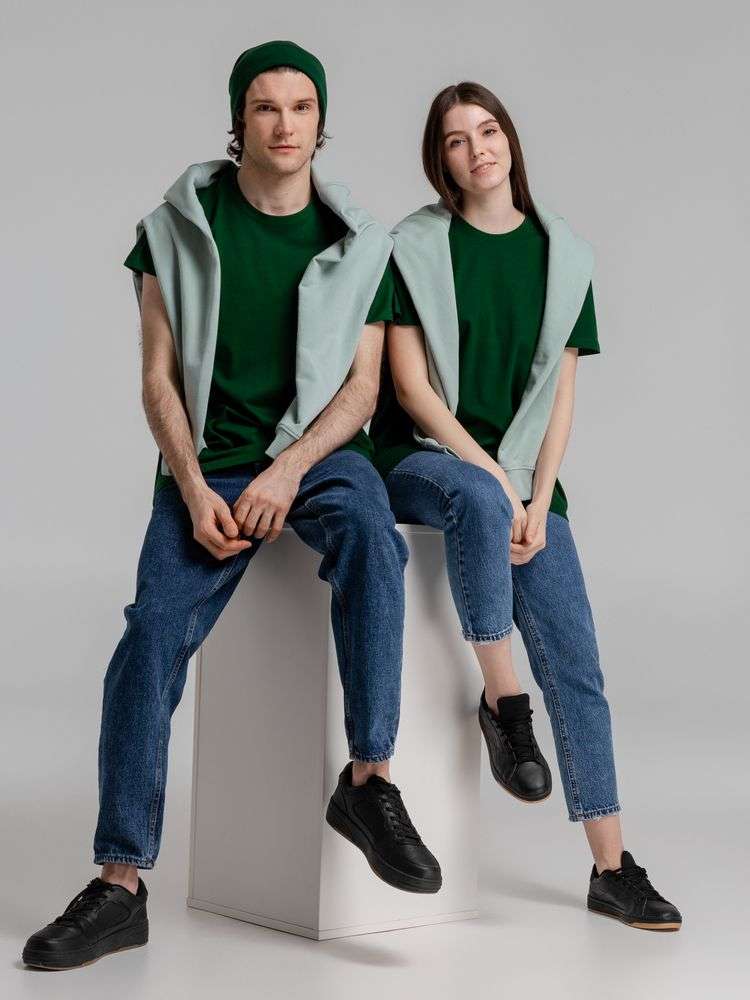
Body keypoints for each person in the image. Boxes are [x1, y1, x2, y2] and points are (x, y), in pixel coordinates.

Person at [22, 40, 441, 972]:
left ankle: (369, 780)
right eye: (265, 107)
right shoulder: (173, 228)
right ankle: (119, 885)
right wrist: (188, 481)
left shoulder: (363, 243)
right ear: (238, 121)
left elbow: (362, 391)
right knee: (149, 637)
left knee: (373, 537)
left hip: (317, 457)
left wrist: (287, 471)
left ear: (321, 123)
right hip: (205, 466)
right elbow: (157, 377)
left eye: (301, 107)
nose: (285, 124)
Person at [370, 80, 682, 931]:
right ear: (440, 161)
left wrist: (540, 497)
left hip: (521, 481)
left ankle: (612, 869)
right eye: (457, 139)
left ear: (509, 138)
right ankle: (505, 707)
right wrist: (497, 481)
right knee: (475, 493)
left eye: (488, 131)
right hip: (423, 459)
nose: (478, 149)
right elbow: (411, 390)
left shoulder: (566, 256)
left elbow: (561, 398)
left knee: (577, 662)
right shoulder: (413, 246)